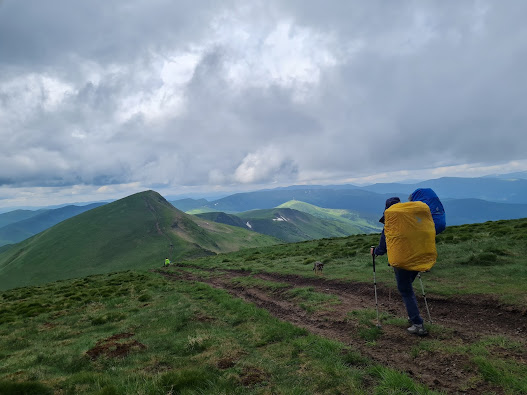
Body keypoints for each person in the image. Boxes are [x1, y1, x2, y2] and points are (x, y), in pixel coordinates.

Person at [370, 196, 428, 336]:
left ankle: (417, 323)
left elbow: (383, 248)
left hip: (401, 262)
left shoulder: (390, 223)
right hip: (416, 259)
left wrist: (374, 251)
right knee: (407, 288)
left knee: (406, 291)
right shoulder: (412, 220)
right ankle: (412, 315)